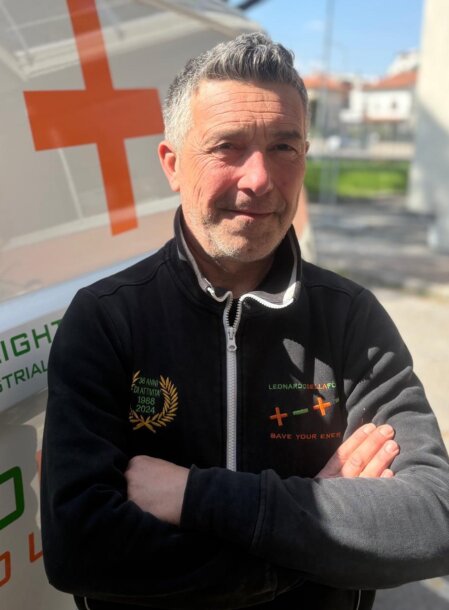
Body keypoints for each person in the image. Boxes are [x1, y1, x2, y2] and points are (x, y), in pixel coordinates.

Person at [41, 33, 449, 610]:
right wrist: (315, 527)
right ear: (173, 164)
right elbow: (81, 548)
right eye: (228, 146)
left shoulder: (350, 318)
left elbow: (432, 521)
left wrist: (194, 496)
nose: (259, 178)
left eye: (284, 146)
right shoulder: (106, 318)